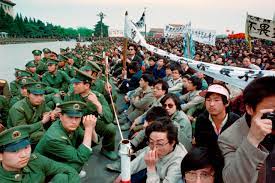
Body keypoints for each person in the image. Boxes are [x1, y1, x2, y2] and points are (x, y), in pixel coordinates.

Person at [218, 76, 275, 183]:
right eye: (272, 112)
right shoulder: (229, 138)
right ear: (249, 108)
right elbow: (234, 180)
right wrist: (252, 140)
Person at [64, 69, 118, 160]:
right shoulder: (70, 95)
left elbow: (109, 118)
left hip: (93, 122)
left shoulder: (98, 96)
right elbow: (64, 113)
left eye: (77, 84)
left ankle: (107, 149)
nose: (74, 86)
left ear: (87, 85)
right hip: (76, 123)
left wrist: (97, 104)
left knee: (111, 128)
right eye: (74, 84)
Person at [0, 125, 80, 182]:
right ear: (1, 156)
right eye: (14, 151)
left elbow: (70, 171)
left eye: (26, 147)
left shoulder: (36, 160)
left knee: (63, 177)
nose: (24, 155)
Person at [114, 121, 187, 183]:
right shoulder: (152, 146)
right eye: (151, 142)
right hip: (152, 174)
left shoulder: (179, 162)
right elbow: (136, 163)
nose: (154, 148)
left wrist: (151, 168)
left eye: (160, 144)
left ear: (172, 143)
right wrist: (122, 176)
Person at [35, 101, 98, 173]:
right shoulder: (54, 137)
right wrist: (88, 129)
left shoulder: (69, 125)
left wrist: (92, 128)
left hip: (55, 157)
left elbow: (91, 141)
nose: (74, 121)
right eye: (70, 117)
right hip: (41, 168)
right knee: (76, 165)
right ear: (61, 116)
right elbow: (81, 158)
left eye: (77, 118)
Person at [195, 83, 240, 148]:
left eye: (216, 100)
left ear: (227, 103)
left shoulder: (236, 121)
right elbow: (200, 144)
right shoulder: (201, 119)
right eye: (208, 100)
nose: (211, 104)